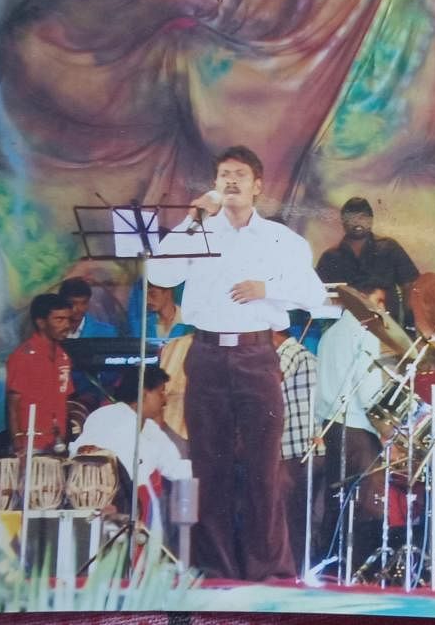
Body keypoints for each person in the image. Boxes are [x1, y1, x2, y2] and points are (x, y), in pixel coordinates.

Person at [146, 145, 327, 581]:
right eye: (223, 174)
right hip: (205, 354)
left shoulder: (280, 239)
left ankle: (270, 571)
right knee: (210, 466)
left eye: (240, 175)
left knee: (265, 469)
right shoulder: (199, 231)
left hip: (256, 355)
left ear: (257, 185)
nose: (230, 181)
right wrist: (191, 221)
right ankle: (217, 569)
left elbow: (314, 293)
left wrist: (267, 286)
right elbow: (161, 275)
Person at [313, 284, 391, 570]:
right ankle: (359, 571)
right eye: (378, 301)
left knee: (338, 502)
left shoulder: (328, 336)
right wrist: (387, 430)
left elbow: (319, 392)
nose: (383, 310)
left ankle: (331, 569)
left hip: (332, 427)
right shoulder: (365, 334)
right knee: (368, 504)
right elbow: (369, 395)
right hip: (359, 429)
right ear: (362, 300)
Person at [70, 366, 191, 488]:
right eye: (160, 393)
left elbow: (175, 467)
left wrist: (207, 468)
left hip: (134, 502)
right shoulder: (108, 417)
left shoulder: (150, 428)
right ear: (143, 394)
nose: (165, 400)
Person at [316, 197, 419, 326]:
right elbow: (319, 295)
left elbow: (410, 285)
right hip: (343, 327)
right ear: (343, 222)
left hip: (386, 328)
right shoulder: (330, 257)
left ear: (371, 220)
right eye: (351, 217)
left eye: (362, 217)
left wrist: (409, 324)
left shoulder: (389, 247)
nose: (357, 222)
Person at [273, 327, 322, 572]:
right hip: (304, 446)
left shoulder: (289, 352)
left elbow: (271, 382)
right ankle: (298, 568)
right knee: (299, 515)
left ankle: (293, 570)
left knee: (292, 516)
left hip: (296, 447)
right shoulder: (303, 353)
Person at [5, 294, 73, 453]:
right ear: (41, 322)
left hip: (58, 443)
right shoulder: (23, 356)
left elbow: (65, 400)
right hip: (31, 446)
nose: (66, 325)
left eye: (68, 319)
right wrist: (18, 446)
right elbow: (12, 406)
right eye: (59, 320)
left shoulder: (64, 357)